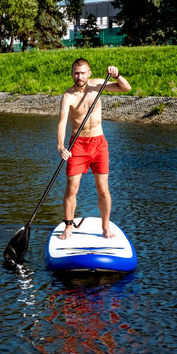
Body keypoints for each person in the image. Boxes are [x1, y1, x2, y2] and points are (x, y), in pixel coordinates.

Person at [57, 58, 131, 240]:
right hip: (77, 145)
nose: (79, 76)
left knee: (103, 189)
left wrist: (117, 75)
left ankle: (105, 227)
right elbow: (62, 123)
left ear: (89, 73)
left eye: (82, 73)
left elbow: (125, 88)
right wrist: (60, 146)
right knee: (72, 189)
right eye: (76, 72)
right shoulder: (68, 96)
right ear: (71, 73)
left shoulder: (98, 85)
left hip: (98, 144)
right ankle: (68, 226)